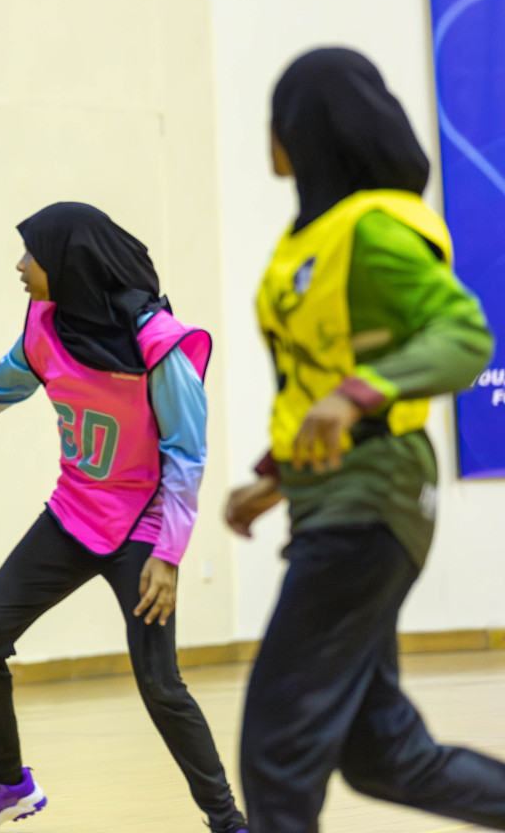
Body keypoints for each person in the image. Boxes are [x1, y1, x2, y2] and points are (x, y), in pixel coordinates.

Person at [0, 203, 247, 833]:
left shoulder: (159, 345)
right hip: (73, 515)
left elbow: (186, 459)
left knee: (160, 683)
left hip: (143, 530)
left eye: (30, 254)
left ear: (70, 264)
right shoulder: (45, 327)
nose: (19, 266)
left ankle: (229, 823)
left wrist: (170, 556)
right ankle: (8, 782)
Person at [224, 47, 505, 832]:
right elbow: (330, 379)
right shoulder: (310, 241)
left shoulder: (376, 230)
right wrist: (276, 476)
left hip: (370, 506)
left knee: (276, 749)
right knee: (384, 755)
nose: (268, 135)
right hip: (339, 505)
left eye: (276, 117)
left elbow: (465, 336)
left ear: (305, 128)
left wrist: (354, 400)